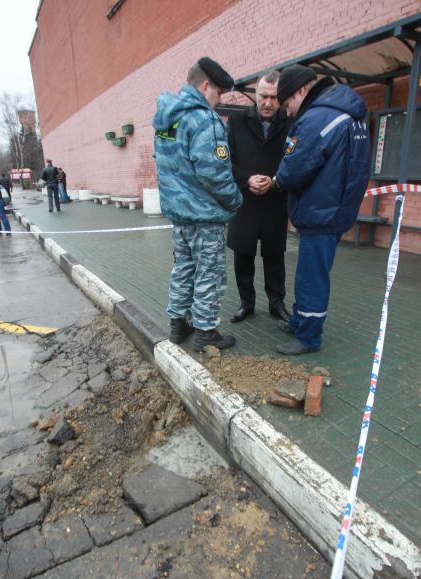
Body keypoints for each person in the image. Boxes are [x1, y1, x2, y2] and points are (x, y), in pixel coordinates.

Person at [275, 65, 371, 355]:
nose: (288, 112)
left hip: (321, 212)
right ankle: (299, 320)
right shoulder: (348, 114)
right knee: (312, 271)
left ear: (300, 91)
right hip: (335, 209)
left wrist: (277, 179)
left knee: (311, 277)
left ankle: (308, 337)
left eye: (287, 103)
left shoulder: (318, 118)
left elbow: (293, 169)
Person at [153, 57, 243, 352]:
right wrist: (235, 199)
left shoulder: (168, 117)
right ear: (206, 86)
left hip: (179, 215)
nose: (218, 101)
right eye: (218, 93)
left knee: (183, 269)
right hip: (205, 216)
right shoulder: (204, 119)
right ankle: (206, 334)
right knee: (209, 273)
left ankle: (179, 325)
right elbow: (214, 173)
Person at [227, 71, 292, 324]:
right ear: (255, 95)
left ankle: (276, 303)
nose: (268, 103)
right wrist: (247, 179)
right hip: (244, 202)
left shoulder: (290, 122)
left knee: (275, 256)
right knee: (242, 255)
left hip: (275, 201)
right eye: (264, 96)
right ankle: (247, 303)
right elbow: (226, 162)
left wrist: (275, 180)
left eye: (275, 98)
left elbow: (294, 160)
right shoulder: (236, 122)